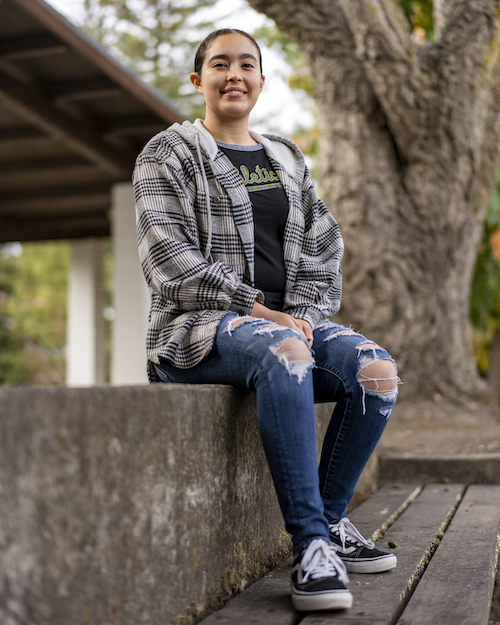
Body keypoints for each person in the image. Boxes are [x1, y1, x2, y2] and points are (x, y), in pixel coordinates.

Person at [133, 28, 400, 612]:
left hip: (284, 327)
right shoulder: (168, 154)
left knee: (376, 370)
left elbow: (324, 245)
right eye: (220, 64)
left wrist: (300, 315)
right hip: (196, 331)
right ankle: (308, 547)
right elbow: (167, 261)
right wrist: (259, 311)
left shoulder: (285, 156)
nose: (235, 75)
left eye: (247, 64)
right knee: (286, 348)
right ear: (198, 80)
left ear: (261, 80)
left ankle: (329, 525)